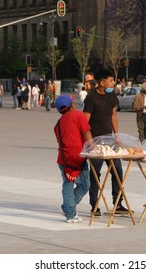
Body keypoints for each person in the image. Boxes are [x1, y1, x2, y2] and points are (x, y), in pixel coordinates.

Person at [83, 68, 128, 216]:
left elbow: (113, 115)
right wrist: (90, 142)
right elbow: (84, 122)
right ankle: (94, 205)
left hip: (110, 141)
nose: (113, 83)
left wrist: (117, 135)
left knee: (117, 171)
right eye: (110, 81)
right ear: (102, 82)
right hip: (96, 141)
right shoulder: (91, 98)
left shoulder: (112, 96)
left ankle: (118, 203)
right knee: (95, 174)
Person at [54, 95, 93, 223]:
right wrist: (92, 145)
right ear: (71, 105)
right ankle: (69, 210)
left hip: (64, 159)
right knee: (85, 185)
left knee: (68, 184)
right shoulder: (78, 115)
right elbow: (86, 131)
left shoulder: (58, 124)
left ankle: (68, 208)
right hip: (78, 158)